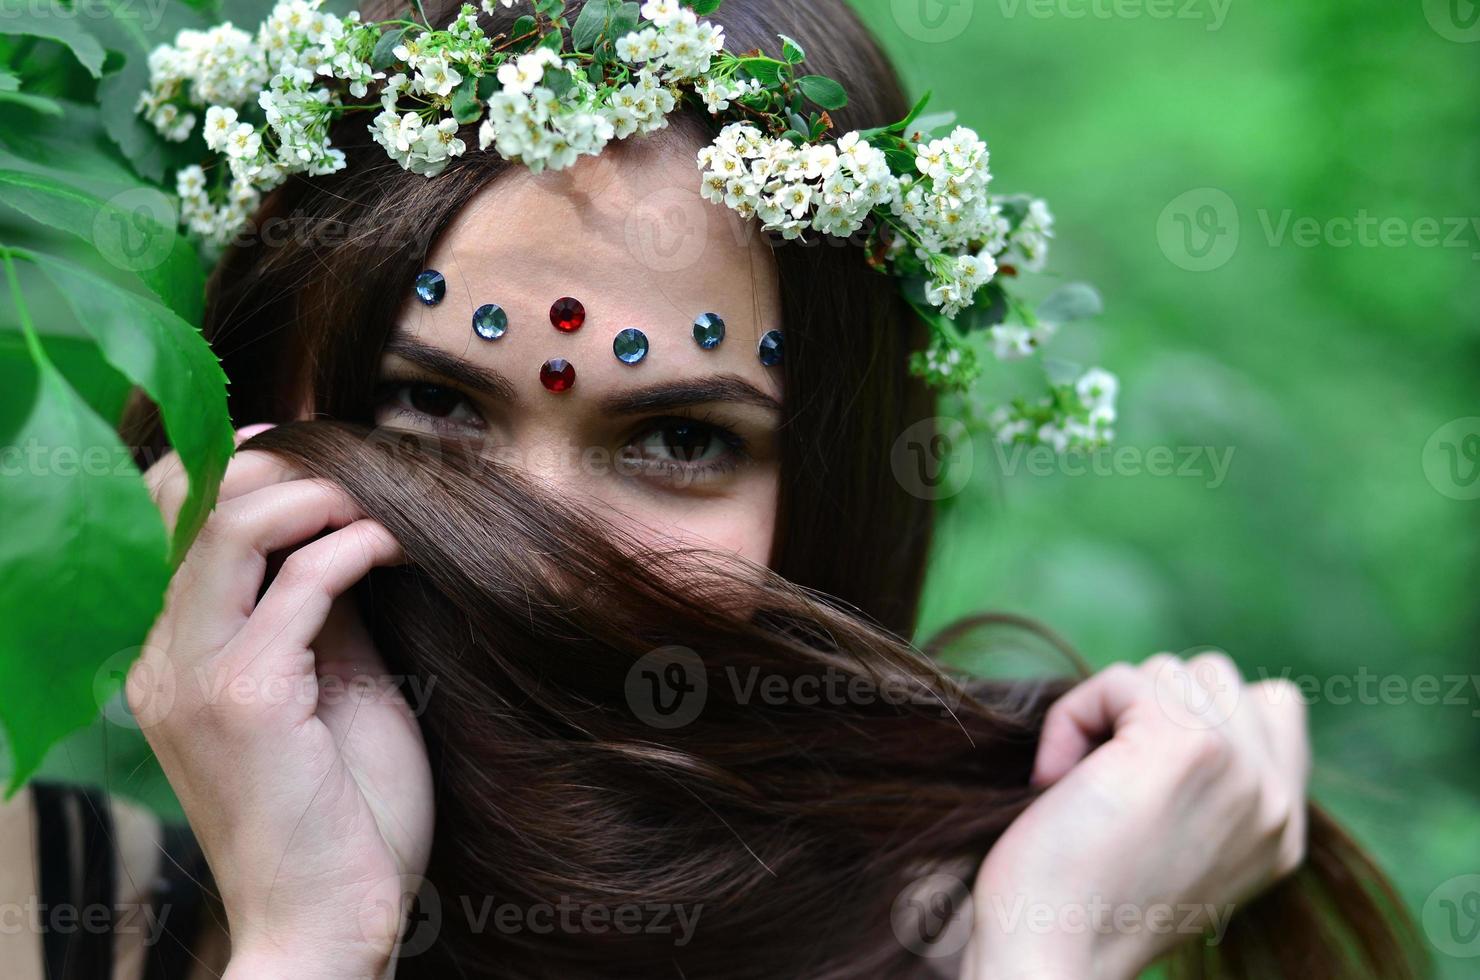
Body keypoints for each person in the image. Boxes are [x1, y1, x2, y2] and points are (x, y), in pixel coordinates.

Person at [0, 0, 1420, 977]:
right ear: (246, 422)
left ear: (838, 500)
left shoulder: (1043, 919)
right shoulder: (42, 910)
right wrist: (313, 938)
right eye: (430, 407)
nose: (547, 555)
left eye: (680, 440)